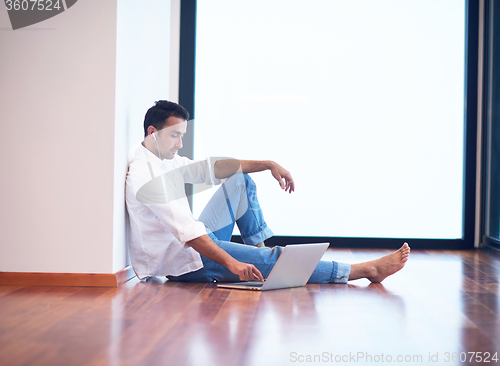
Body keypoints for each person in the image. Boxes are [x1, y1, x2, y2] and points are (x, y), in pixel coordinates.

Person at [125, 100, 410, 284]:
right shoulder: (144, 177)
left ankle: (258, 253)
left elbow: (208, 169)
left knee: (239, 181)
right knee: (278, 259)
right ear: (153, 132)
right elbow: (190, 234)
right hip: (184, 262)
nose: (179, 144)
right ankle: (364, 271)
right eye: (175, 136)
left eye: (182, 136)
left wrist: (268, 164)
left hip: (196, 242)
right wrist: (235, 263)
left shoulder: (163, 158)